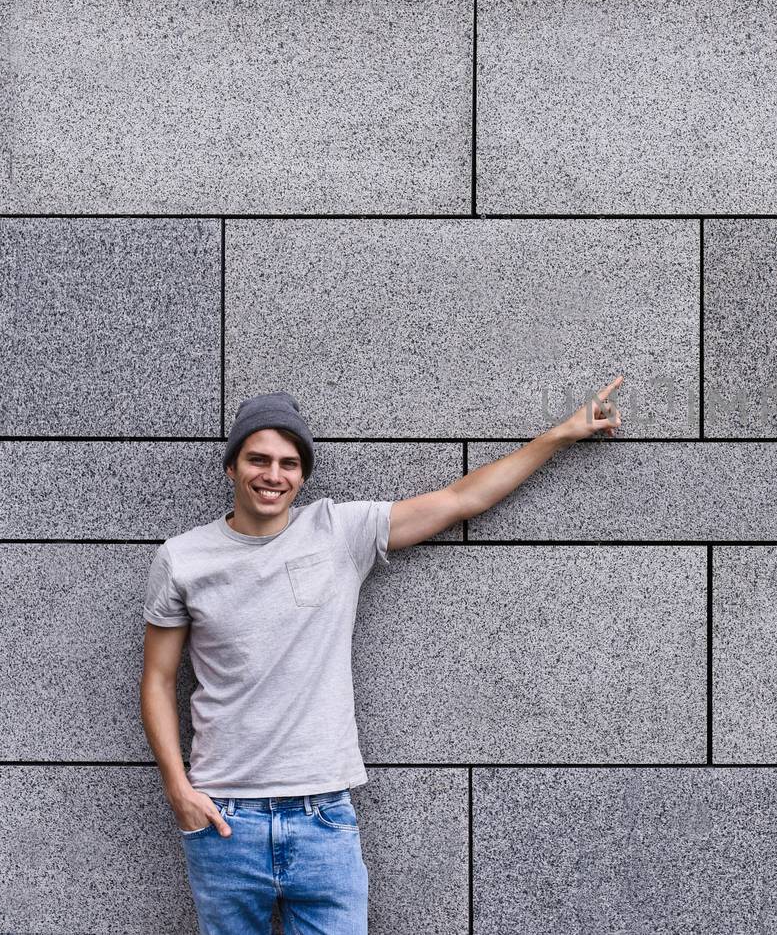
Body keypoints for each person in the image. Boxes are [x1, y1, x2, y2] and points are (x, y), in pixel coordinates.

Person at [139, 379, 623, 934]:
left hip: (322, 815)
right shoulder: (182, 559)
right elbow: (158, 679)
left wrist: (560, 435)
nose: (273, 475)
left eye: (289, 464)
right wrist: (179, 790)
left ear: (302, 475)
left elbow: (461, 499)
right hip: (225, 819)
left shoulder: (337, 532)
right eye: (259, 459)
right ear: (232, 467)